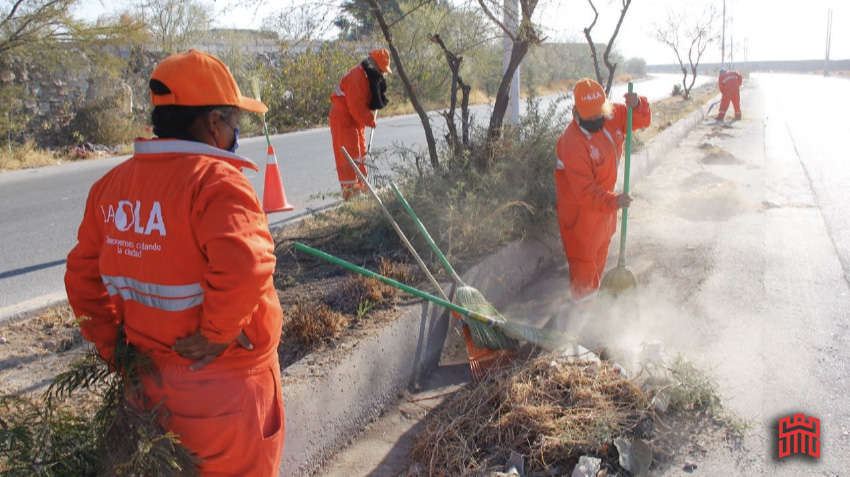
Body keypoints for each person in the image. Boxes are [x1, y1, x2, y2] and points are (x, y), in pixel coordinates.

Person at [64, 49, 284, 475]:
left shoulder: (110, 188)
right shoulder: (217, 183)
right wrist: (218, 333)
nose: (237, 132)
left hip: (147, 388)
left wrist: (118, 354)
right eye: (235, 122)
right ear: (212, 123)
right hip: (225, 392)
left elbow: (81, 281)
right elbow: (246, 265)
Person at [554, 78, 652, 308]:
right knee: (583, 267)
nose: (597, 122)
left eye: (599, 116)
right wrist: (614, 201)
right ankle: (579, 323)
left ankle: (592, 310)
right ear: (576, 113)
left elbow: (641, 119)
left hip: (605, 209)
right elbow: (586, 192)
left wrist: (637, 105)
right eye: (589, 119)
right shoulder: (571, 142)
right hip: (581, 215)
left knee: (599, 259)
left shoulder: (612, 115)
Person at [329, 48, 391, 199]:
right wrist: (370, 121)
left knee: (361, 155)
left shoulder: (368, 76)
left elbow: (365, 103)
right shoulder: (358, 77)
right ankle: (351, 194)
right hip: (343, 119)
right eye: (381, 70)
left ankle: (362, 188)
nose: (382, 74)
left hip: (355, 121)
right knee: (349, 157)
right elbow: (356, 108)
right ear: (373, 65)